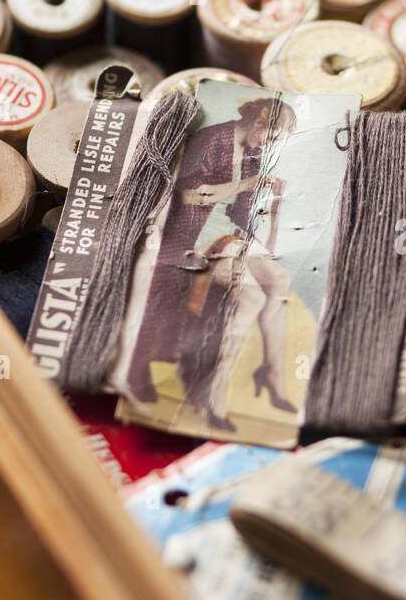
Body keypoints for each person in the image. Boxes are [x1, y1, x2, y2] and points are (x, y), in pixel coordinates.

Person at [125, 95, 298, 431]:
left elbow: (242, 211)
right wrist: (248, 184)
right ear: (259, 122)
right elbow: (188, 195)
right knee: (252, 297)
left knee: (279, 281)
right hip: (191, 234)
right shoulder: (211, 139)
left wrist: (270, 215)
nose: (269, 144)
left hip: (227, 235)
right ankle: (213, 395)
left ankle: (272, 374)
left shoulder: (252, 152)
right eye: (271, 136)